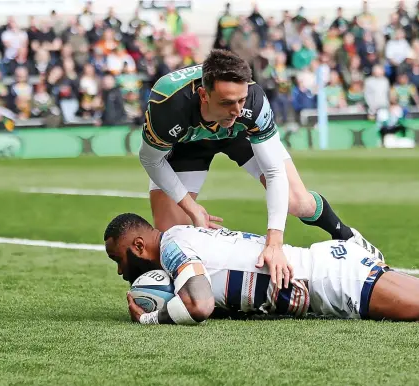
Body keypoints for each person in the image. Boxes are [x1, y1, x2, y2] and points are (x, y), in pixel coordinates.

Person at [138, 49, 382, 289]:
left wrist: (274, 242)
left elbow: (274, 172)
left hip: (239, 134)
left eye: (240, 101)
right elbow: (151, 160)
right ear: (204, 95)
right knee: (171, 235)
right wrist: (192, 209)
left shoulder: (253, 100)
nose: (235, 110)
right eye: (226, 102)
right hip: (187, 144)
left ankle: (347, 236)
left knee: (297, 202)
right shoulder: (167, 103)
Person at [103, 213, 419, 325]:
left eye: (120, 258)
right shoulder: (184, 235)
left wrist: (152, 317)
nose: (122, 271)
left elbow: (197, 305)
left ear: (139, 245)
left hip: (331, 278)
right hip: (327, 268)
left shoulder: (176, 245)